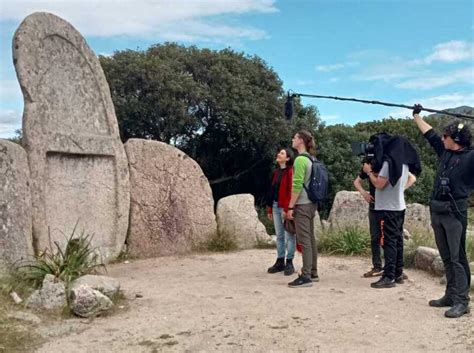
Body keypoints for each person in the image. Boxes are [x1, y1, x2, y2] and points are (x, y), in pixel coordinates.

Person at [413, 104, 474, 318]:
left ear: (456, 139)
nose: (442, 138)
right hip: (437, 211)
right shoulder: (445, 152)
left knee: (458, 258)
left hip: (454, 214)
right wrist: (416, 116)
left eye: (446, 135)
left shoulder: (471, 158)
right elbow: (430, 134)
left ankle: (462, 301)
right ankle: (450, 294)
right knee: (447, 256)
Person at [362, 133, 421, 289]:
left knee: (389, 242)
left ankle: (388, 277)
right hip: (399, 206)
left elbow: (379, 184)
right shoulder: (403, 163)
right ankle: (398, 273)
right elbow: (410, 178)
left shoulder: (389, 164)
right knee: (398, 240)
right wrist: (401, 189)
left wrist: (368, 172)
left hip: (388, 207)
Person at [354, 159, 417, 278]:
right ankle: (381, 267)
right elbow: (357, 182)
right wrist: (364, 193)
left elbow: (411, 178)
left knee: (389, 238)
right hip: (375, 205)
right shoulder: (374, 164)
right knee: (378, 237)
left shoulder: (386, 165)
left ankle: (391, 269)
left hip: (386, 205)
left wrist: (399, 190)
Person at [287, 130, 319, 288]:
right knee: (310, 239)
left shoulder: (300, 160)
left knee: (304, 240)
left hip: (302, 205)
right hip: (312, 204)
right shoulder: (312, 159)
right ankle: (313, 271)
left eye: (294, 138)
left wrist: (291, 206)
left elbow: (297, 185)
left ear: (301, 141)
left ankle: (305, 276)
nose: (292, 140)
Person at [266, 148, 296, 276]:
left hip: (285, 207)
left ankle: (289, 262)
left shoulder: (290, 172)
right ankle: (280, 261)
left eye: (282, 153)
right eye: (279, 153)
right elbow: (272, 191)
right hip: (275, 205)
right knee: (279, 235)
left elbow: (291, 191)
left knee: (289, 234)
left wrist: (288, 208)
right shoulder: (276, 172)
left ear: (288, 158)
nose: (278, 154)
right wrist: (270, 208)